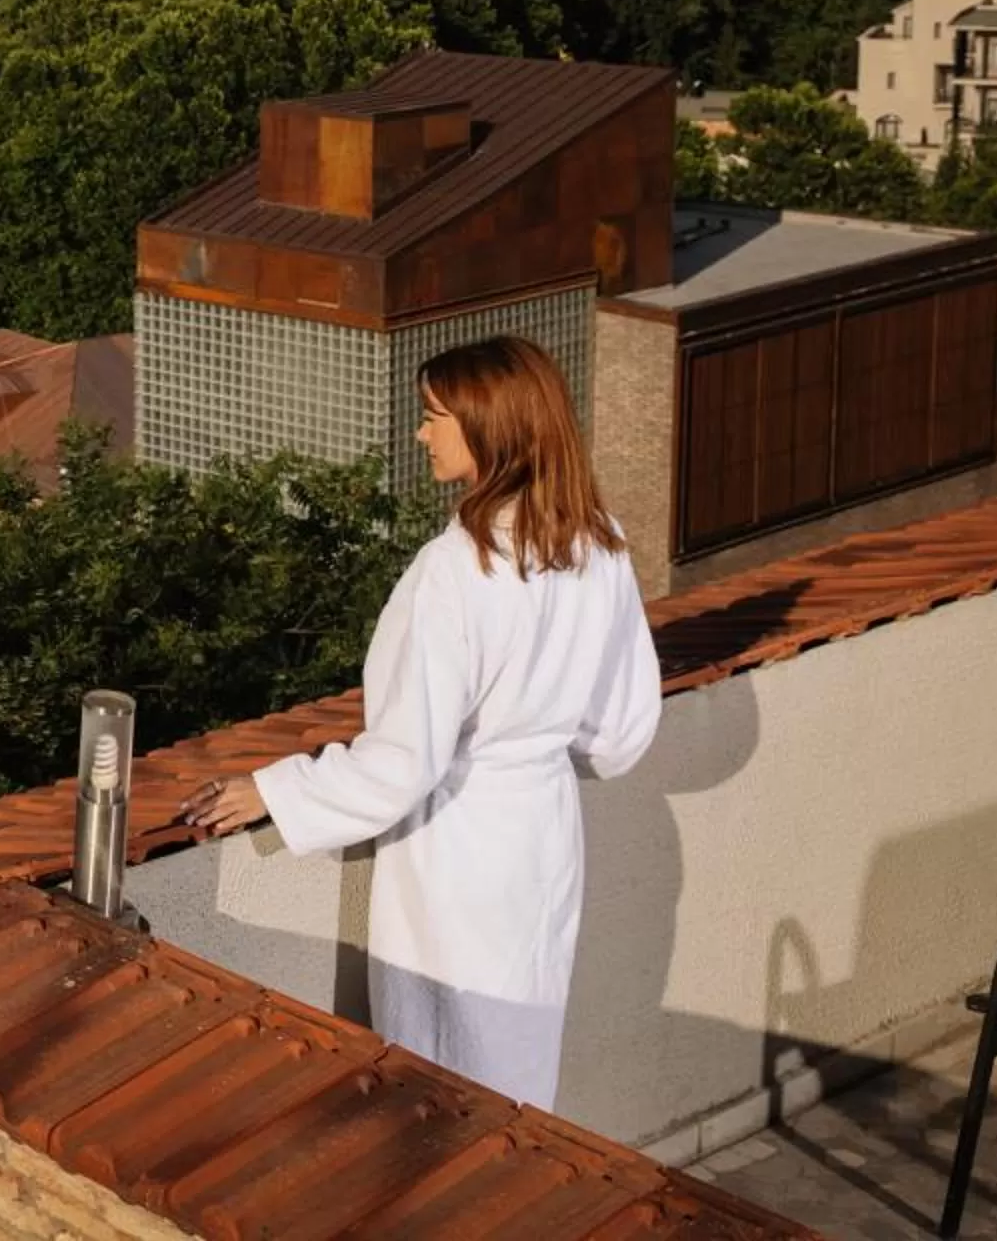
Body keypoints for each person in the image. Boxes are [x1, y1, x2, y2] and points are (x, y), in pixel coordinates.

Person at [175, 336, 661, 1110]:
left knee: (446, 1079)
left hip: (459, 858)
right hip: (541, 838)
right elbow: (623, 732)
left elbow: (402, 762)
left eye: (434, 416)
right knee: (518, 1064)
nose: (420, 433)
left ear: (490, 429)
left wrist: (276, 789)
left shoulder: (456, 571)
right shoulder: (598, 542)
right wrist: (530, 742)